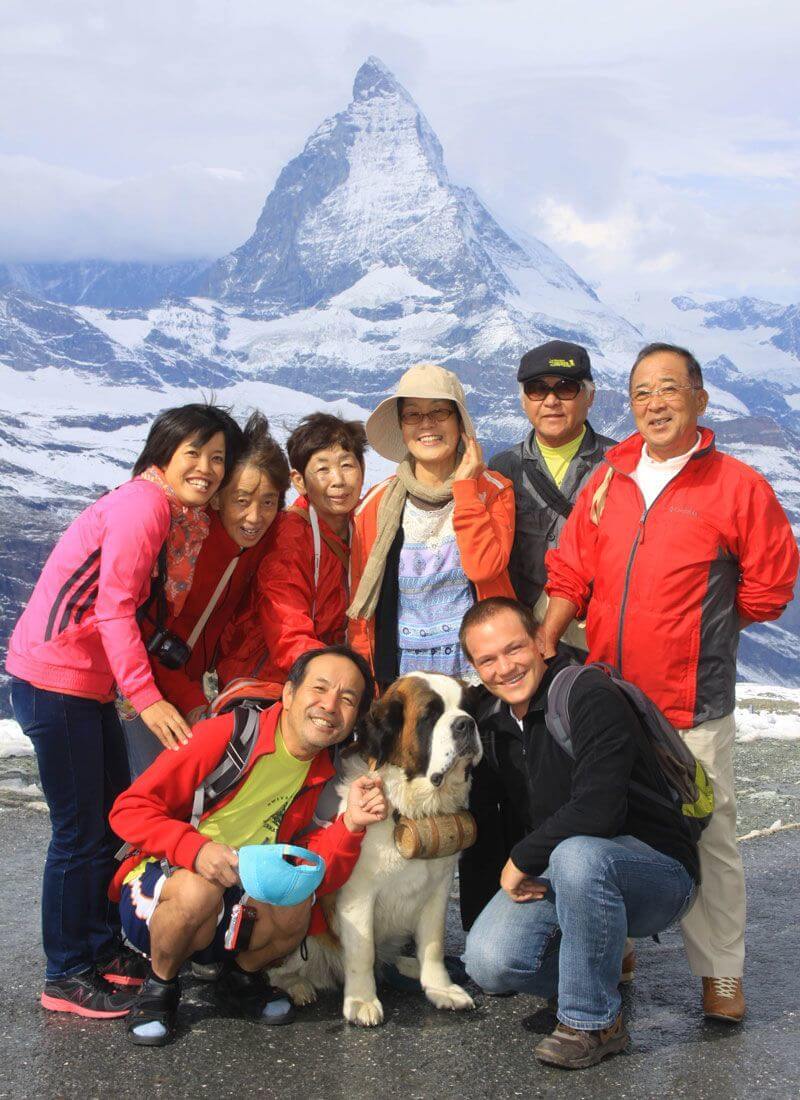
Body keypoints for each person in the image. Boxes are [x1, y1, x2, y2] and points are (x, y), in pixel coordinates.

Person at [541, 343, 800, 1023]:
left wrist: (708, 629)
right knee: (609, 820)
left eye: (669, 390)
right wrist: (546, 637)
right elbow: (570, 568)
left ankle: (720, 973)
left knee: (708, 830)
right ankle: (616, 944)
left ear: (699, 400)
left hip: (693, 700)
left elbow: (771, 585)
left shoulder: (737, 486)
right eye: (642, 392)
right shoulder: (609, 479)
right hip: (612, 698)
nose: (655, 403)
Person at [6, 403, 244, 1018]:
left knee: (107, 819)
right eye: (194, 452)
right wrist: (147, 699)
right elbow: (114, 608)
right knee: (80, 832)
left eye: (218, 458)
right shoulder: (145, 507)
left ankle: (97, 949)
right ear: (162, 452)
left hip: (80, 683)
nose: (207, 468)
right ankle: (66, 973)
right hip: (59, 680)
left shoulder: (157, 507)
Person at [459, 598, 699, 1070]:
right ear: (474, 667)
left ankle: (593, 1020)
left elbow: (599, 808)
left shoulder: (587, 694)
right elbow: (487, 825)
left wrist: (522, 860)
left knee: (578, 855)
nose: (505, 668)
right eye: (488, 660)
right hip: (564, 871)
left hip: (657, 872)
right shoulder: (492, 722)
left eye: (514, 649)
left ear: (540, 643)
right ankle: (593, 969)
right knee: (489, 962)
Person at [109, 646, 387, 1046]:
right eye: (320, 688)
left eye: (347, 699)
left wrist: (352, 824)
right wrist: (195, 849)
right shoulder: (227, 734)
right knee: (198, 889)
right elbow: (129, 809)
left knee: (297, 899)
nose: (330, 706)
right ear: (289, 694)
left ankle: (239, 980)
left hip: (238, 901)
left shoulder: (324, 771)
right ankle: (159, 988)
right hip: (162, 888)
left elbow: (318, 872)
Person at [124, 411, 291, 776]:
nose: (255, 516)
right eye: (241, 499)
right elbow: (141, 633)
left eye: (268, 502)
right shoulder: (185, 543)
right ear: (216, 499)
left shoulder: (264, 542)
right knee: (148, 796)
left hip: (192, 690)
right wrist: (193, 702)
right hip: (143, 689)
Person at [348, 362, 515, 686]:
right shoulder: (376, 505)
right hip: (405, 682)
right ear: (401, 426)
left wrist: (466, 490)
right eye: (413, 414)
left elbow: (483, 568)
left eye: (439, 412)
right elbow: (361, 607)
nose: (426, 424)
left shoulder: (492, 491)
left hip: (482, 677)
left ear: (458, 421)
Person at [217, 413, 365, 702]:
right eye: (323, 470)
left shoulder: (361, 524)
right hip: (271, 684)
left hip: (320, 682)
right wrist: (337, 679)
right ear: (298, 480)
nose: (338, 481)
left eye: (347, 465)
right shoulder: (291, 536)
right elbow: (287, 629)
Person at [489, 340, 614, 655]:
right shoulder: (504, 468)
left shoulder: (619, 465)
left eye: (566, 388)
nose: (551, 400)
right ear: (523, 401)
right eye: (537, 389)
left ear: (590, 397)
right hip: (528, 629)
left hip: (598, 628)